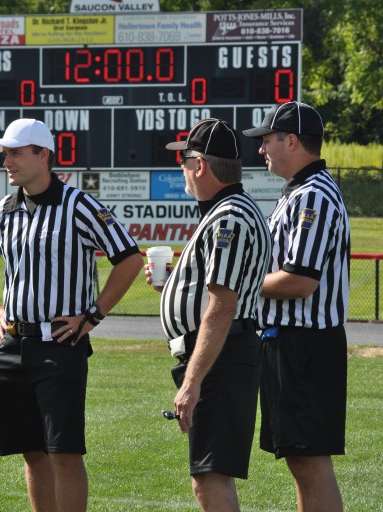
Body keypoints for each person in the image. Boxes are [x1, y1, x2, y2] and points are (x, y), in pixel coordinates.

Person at [0, 118, 144, 512]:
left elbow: (130, 258)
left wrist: (93, 315)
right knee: (32, 452)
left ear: (42, 154)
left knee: (64, 453)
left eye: (14, 153)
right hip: (13, 345)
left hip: (60, 347)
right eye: (5, 154)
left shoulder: (79, 205)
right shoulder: (2, 210)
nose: (6, 163)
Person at [148, 118, 271, 511]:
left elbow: (222, 305)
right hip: (223, 352)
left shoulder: (228, 216)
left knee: (209, 478)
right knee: (208, 475)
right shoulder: (225, 210)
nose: (180, 168)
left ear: (200, 165)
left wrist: (193, 381)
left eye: (184, 160)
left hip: (222, 356)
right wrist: (170, 288)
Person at [242, 102, 350, 512]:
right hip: (289, 341)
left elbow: (300, 281)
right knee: (300, 458)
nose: (261, 149)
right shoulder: (300, 192)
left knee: (308, 459)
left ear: (291, 140)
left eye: (267, 140)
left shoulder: (313, 195)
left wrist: (237, 286)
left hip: (304, 342)